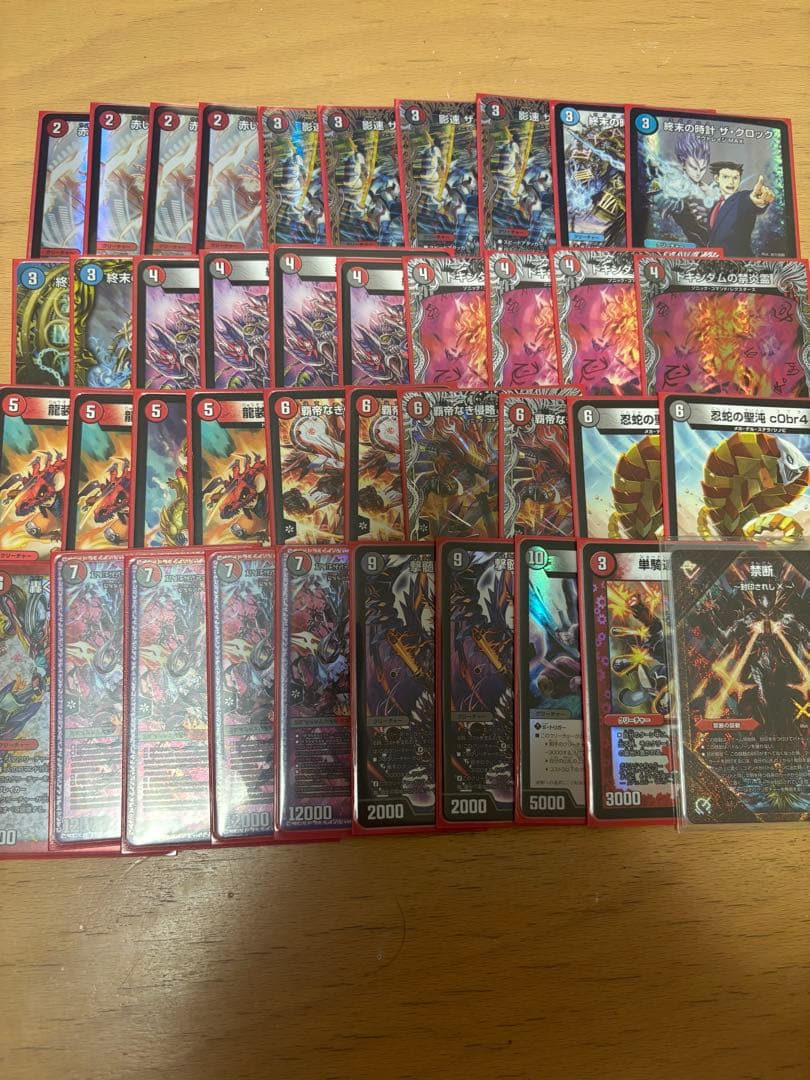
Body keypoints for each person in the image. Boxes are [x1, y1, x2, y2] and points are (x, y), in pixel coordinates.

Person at [707, 162, 775, 256]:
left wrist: (756, 199)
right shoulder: (715, 205)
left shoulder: (741, 199)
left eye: (735, 178)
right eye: (726, 177)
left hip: (739, 261)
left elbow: (748, 200)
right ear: (717, 178)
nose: (731, 182)